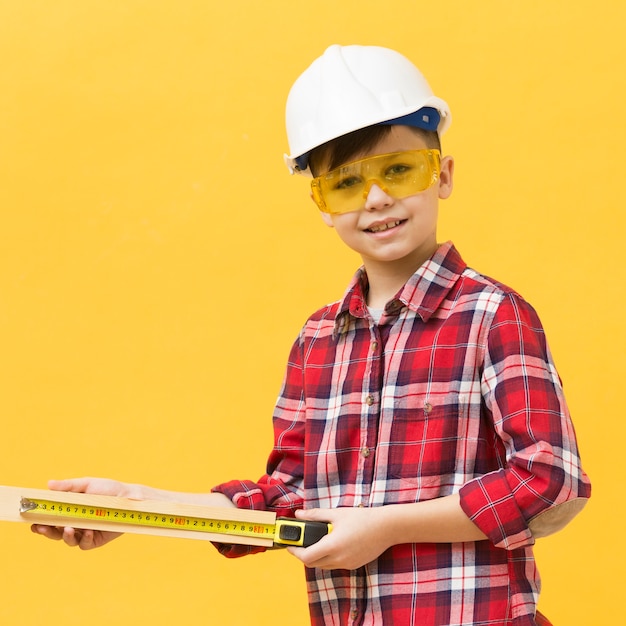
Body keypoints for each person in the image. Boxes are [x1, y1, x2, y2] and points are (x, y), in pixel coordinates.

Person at [32, 44, 591, 625]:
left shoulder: (492, 315)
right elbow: (290, 497)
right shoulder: (318, 340)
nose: (377, 199)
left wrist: (387, 525)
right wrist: (144, 505)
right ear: (322, 204)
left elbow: (549, 480)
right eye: (347, 183)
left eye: (398, 170)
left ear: (442, 175)